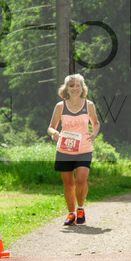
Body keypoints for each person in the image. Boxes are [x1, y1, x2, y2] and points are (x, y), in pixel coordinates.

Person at [47, 74, 100, 226]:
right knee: (69, 184)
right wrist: (54, 133)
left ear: (82, 88)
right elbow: (50, 126)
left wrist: (94, 133)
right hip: (65, 150)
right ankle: (71, 214)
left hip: (84, 148)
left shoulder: (88, 105)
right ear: (66, 88)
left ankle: (80, 208)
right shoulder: (60, 106)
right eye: (71, 86)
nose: (75, 88)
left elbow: (96, 123)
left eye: (77, 86)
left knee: (81, 180)